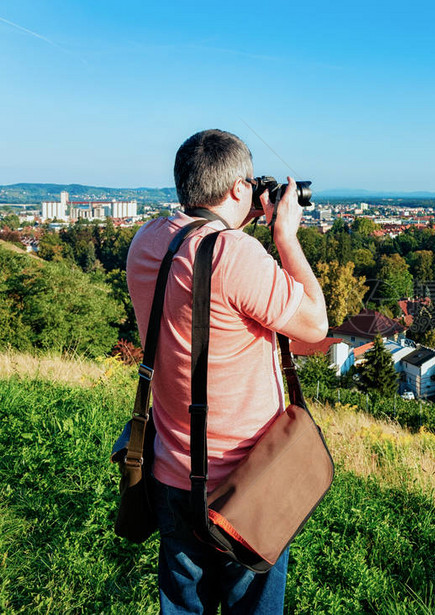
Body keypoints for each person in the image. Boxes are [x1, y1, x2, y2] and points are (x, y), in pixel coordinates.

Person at [126, 129, 328, 613]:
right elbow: (316, 326)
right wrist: (284, 235)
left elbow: (203, 271)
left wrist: (239, 221)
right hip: (244, 485)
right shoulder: (236, 255)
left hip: (169, 472)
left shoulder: (146, 241)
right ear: (239, 188)